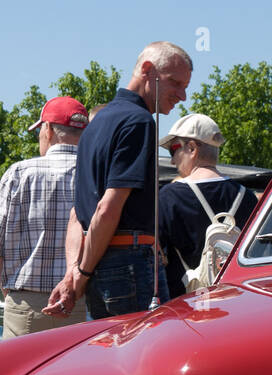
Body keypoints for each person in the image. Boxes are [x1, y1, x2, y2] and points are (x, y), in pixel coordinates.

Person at [45, 41, 192, 319]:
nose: (182, 95)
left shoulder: (95, 125)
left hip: (103, 266)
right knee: (145, 358)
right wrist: (81, 273)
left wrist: (74, 273)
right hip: (131, 265)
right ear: (147, 70)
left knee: (109, 356)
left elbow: (79, 213)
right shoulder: (139, 122)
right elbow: (106, 207)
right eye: (175, 83)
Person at [0, 96, 89, 338]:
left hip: (26, 305)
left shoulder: (19, 173)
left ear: (48, 130)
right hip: (82, 303)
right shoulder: (95, 175)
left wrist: (9, 293)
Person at [157, 113, 258, 297]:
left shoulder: (167, 198)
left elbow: (154, 256)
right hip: (235, 302)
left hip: (185, 308)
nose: (172, 160)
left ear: (192, 148)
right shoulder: (248, 197)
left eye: (173, 149)